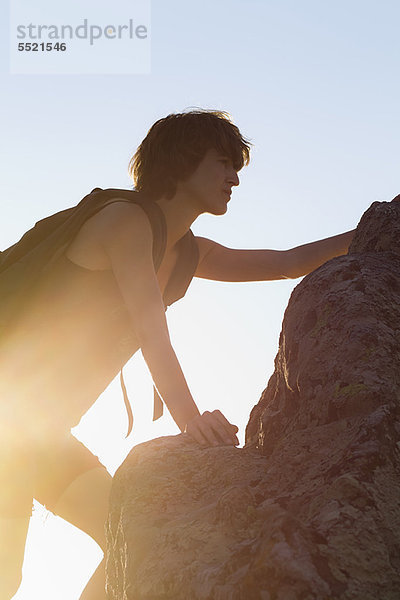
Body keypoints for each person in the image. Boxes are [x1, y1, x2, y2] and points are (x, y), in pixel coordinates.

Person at [0, 109, 355, 599]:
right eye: (223, 162)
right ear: (183, 161)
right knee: (9, 575)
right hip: (11, 421)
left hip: (36, 437)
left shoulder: (189, 250)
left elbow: (288, 263)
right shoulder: (124, 219)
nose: (234, 178)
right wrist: (190, 419)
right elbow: (152, 329)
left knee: (128, 537)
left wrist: (381, 226)